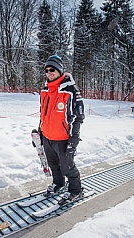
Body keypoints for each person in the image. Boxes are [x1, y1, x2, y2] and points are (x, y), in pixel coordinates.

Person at [38, 55, 85, 204]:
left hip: (63, 137)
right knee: (53, 164)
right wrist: (40, 130)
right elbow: (43, 112)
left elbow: (78, 116)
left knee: (68, 166)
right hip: (47, 136)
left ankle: (76, 190)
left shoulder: (71, 90)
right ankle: (59, 184)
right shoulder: (45, 90)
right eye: (46, 70)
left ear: (59, 70)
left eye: (52, 69)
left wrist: (74, 139)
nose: (49, 72)